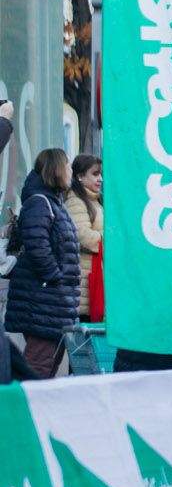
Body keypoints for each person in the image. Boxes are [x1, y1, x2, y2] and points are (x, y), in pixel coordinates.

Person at [5, 148, 79, 378]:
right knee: (38, 367)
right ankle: (17, 413)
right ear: (56, 169)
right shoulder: (41, 202)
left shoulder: (51, 201)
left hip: (52, 300)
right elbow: (38, 245)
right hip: (44, 299)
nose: (70, 171)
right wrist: (54, 277)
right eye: (67, 166)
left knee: (44, 366)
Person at [64, 155, 104, 323]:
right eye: (95, 174)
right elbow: (83, 236)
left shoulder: (95, 200)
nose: (100, 179)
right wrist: (112, 237)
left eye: (101, 174)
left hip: (94, 275)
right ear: (80, 176)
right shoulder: (75, 201)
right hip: (84, 279)